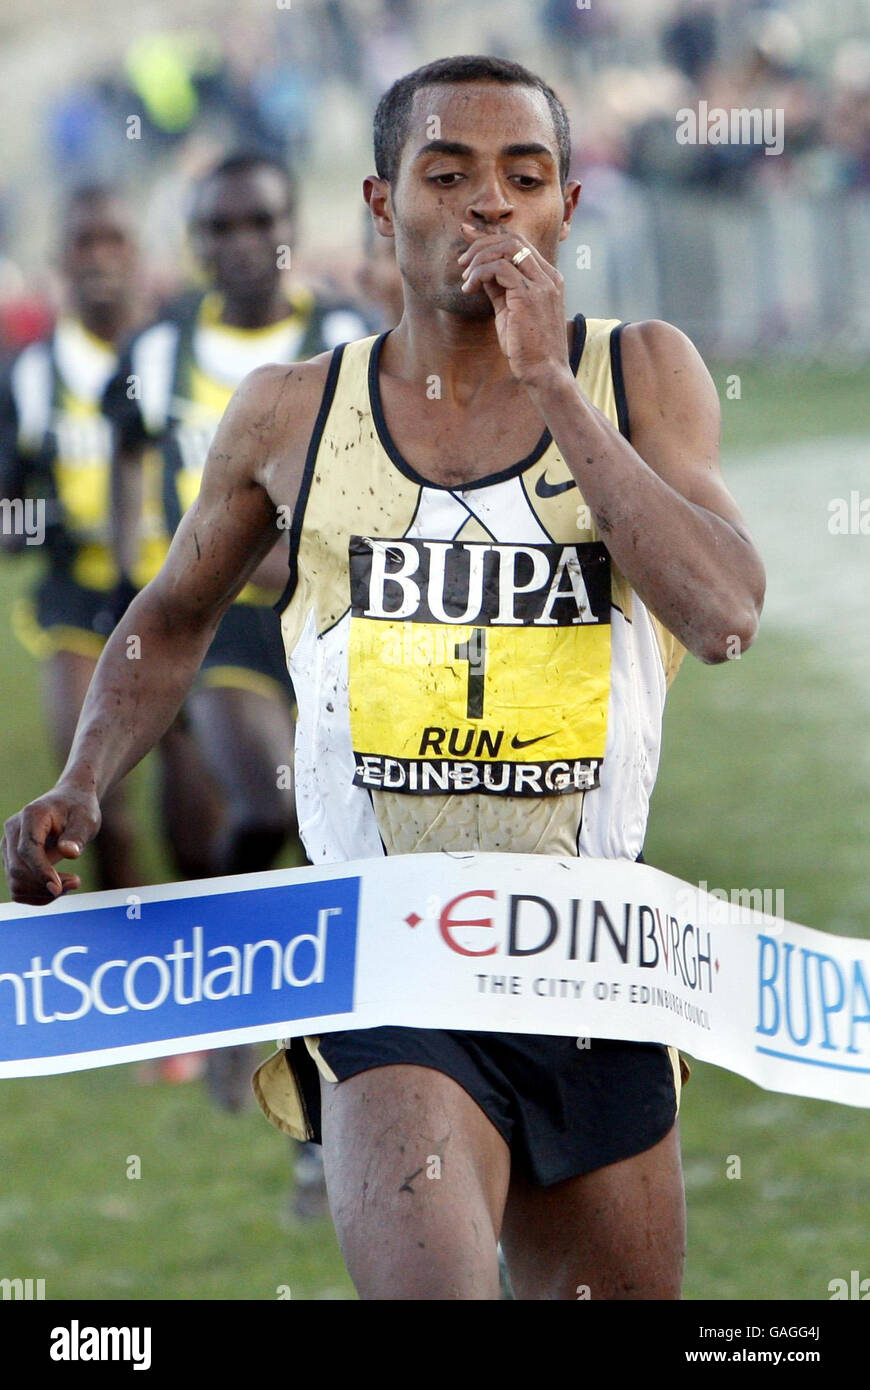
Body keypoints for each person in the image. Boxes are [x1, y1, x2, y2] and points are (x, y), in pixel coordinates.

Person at [3, 56, 765, 1299]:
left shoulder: (644, 376)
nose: (488, 207)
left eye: (525, 178)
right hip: (384, 958)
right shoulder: (290, 414)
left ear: (566, 208)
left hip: (591, 955)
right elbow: (175, 612)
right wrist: (86, 777)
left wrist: (553, 390)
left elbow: (725, 613)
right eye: (447, 173)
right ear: (378, 201)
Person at [103, 151, 366, 1193]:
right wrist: (141, 586)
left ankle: (291, 1058)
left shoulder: (349, 334)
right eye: (217, 226)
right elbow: (129, 468)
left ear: (288, 221)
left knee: (330, 837)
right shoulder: (160, 351)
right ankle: (232, 1020)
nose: (240, 241)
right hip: (222, 625)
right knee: (267, 801)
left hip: (337, 618)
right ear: (196, 239)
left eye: (258, 219)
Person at [0, 185, 209, 895]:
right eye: (84, 243)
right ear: (60, 259)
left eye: (113, 241)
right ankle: (117, 956)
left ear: (139, 253)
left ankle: (207, 950)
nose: (99, 258)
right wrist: (43, 523)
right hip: (81, 601)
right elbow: (6, 513)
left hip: (189, 593)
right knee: (94, 804)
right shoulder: (29, 373)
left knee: (200, 816)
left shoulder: (183, 350)